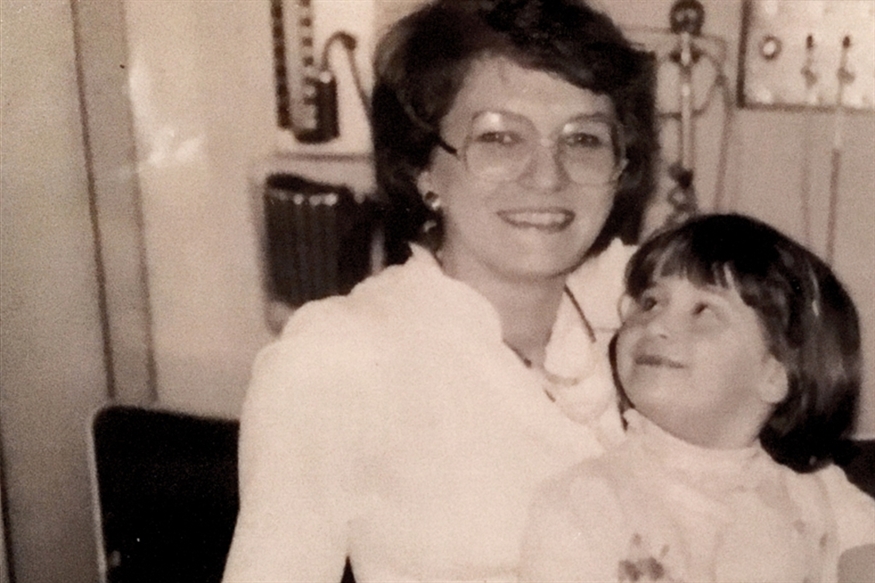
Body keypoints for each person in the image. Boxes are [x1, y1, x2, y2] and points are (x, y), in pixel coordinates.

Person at [222, 0, 657, 581]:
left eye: (583, 140)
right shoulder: (338, 355)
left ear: (621, 166)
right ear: (424, 169)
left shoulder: (651, 322)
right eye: (500, 139)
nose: (548, 176)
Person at [519, 213, 875, 583]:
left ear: (774, 374)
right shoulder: (589, 501)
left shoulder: (816, 490)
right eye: (650, 302)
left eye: (703, 311)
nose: (655, 324)